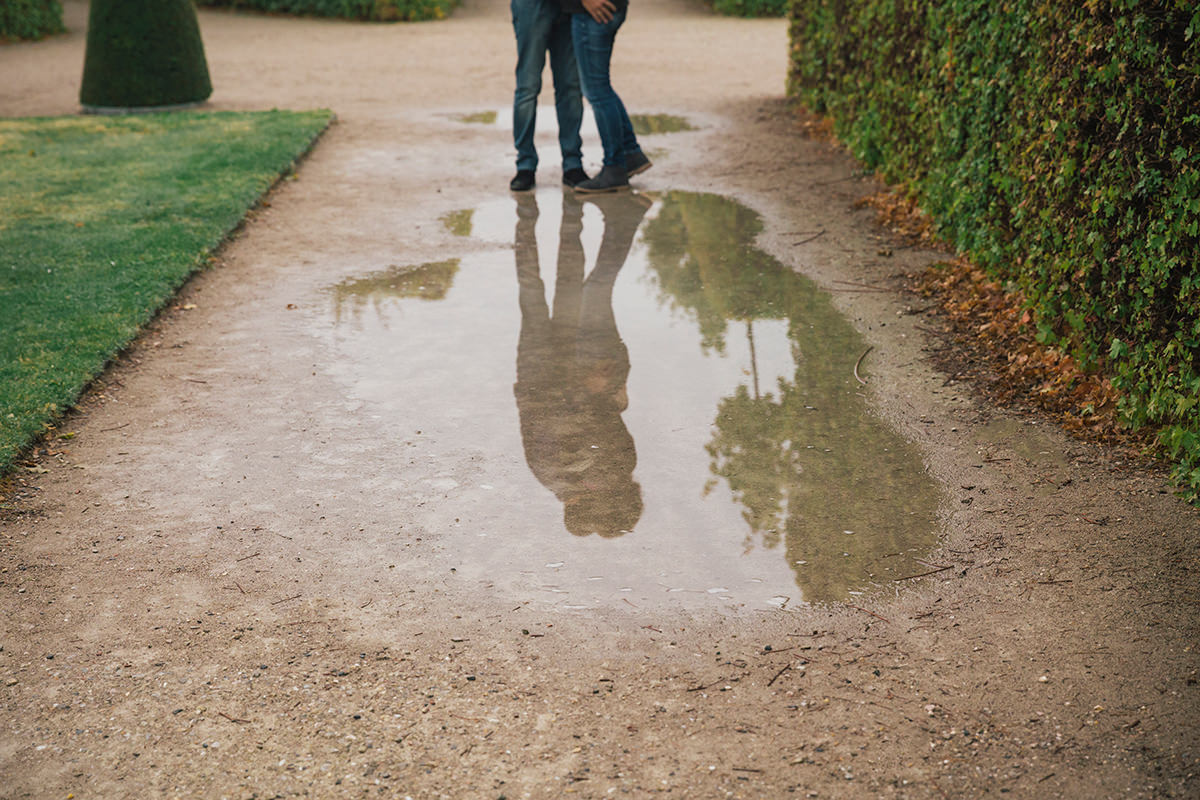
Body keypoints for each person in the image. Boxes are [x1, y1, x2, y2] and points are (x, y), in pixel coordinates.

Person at [561, 0, 652, 193]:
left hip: (593, 10)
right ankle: (630, 153)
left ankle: (614, 167)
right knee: (601, 87)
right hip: (606, 8)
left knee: (597, 91)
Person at [510, 0, 590, 192]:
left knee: (570, 85)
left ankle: (572, 163)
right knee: (528, 87)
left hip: (569, 5)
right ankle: (525, 165)